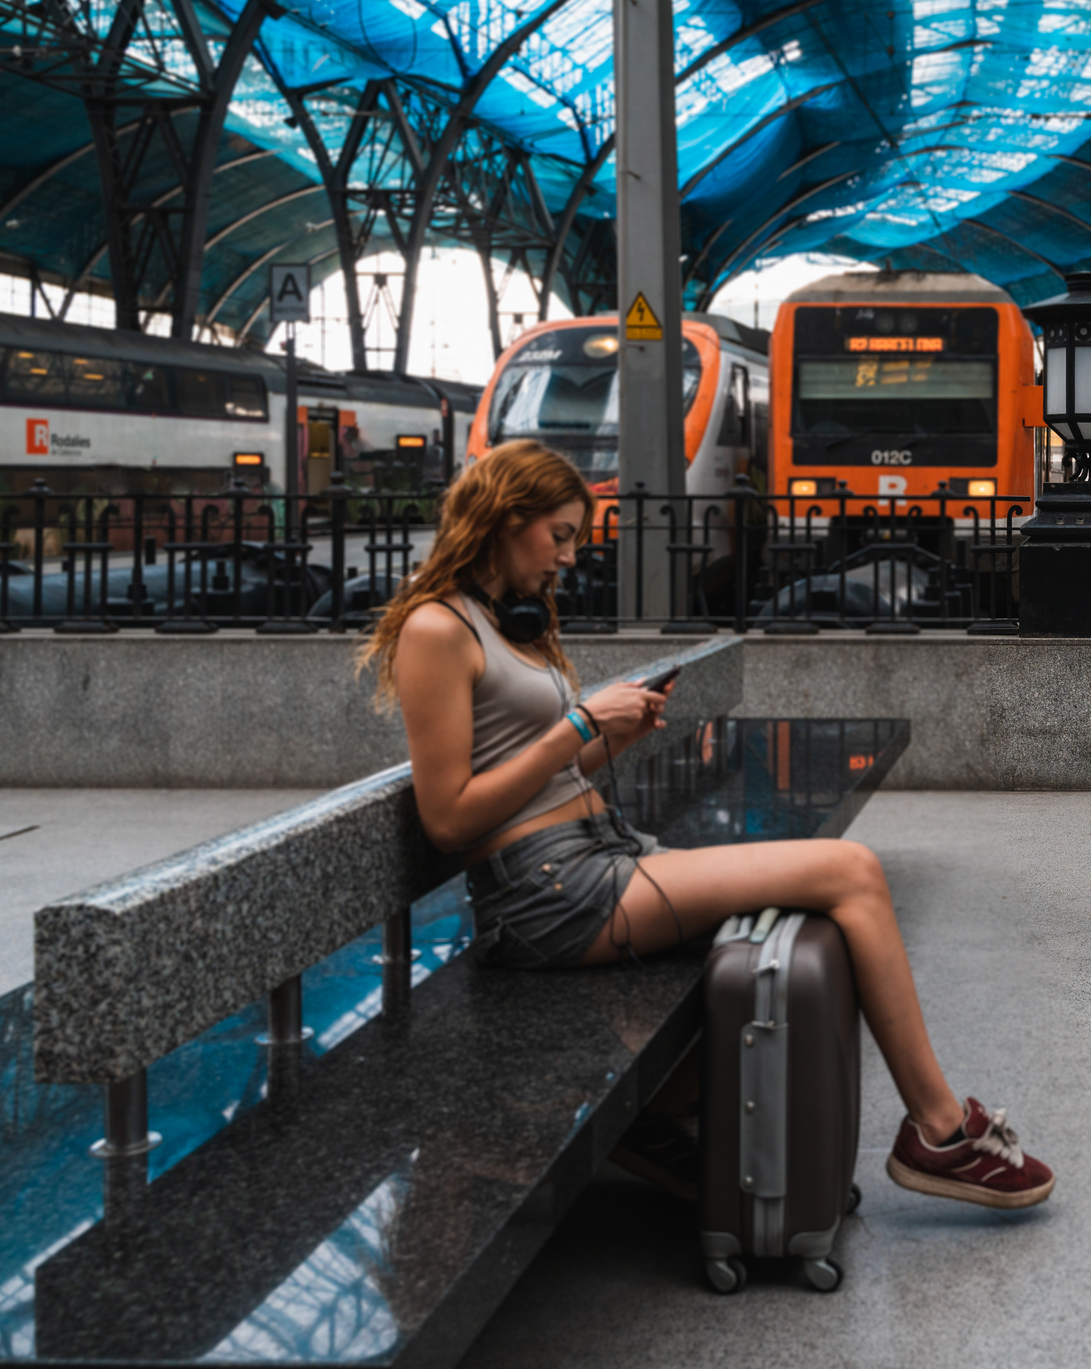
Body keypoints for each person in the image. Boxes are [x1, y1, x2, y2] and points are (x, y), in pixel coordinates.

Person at [359, 440, 1053, 1209]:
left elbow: (537, 771)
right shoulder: (435, 630)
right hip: (549, 892)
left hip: (599, 857)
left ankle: (657, 1118)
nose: (566, 558)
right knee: (848, 872)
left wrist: (606, 742)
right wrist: (580, 727)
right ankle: (939, 1129)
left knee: (790, 926)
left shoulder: (507, 621)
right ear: (501, 518)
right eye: (558, 536)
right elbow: (450, 817)